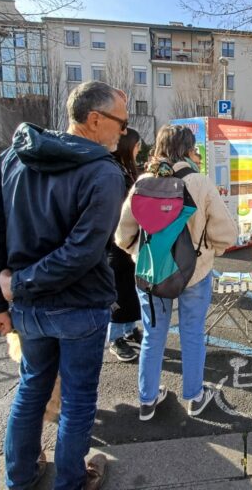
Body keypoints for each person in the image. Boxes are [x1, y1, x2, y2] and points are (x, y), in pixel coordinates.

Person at [0, 80, 128, 490]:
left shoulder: (13, 159)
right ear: (95, 119)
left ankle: (20, 478)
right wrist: (12, 287)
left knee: (32, 389)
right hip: (78, 307)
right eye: (121, 123)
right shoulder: (102, 172)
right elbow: (82, 251)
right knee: (75, 401)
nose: (124, 132)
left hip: (28, 309)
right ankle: (70, 481)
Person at [115, 125, 237, 421]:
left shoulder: (143, 182)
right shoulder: (200, 182)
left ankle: (147, 401)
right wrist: (207, 250)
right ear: (187, 150)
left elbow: (122, 236)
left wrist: (138, 255)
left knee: (152, 336)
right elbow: (227, 234)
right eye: (195, 149)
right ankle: (194, 397)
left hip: (153, 272)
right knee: (192, 334)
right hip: (194, 271)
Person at [108, 128, 143, 362]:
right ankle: (115, 338)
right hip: (115, 244)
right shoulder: (114, 173)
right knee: (119, 291)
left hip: (130, 243)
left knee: (130, 291)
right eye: (137, 144)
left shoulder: (129, 171)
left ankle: (129, 329)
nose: (139, 148)